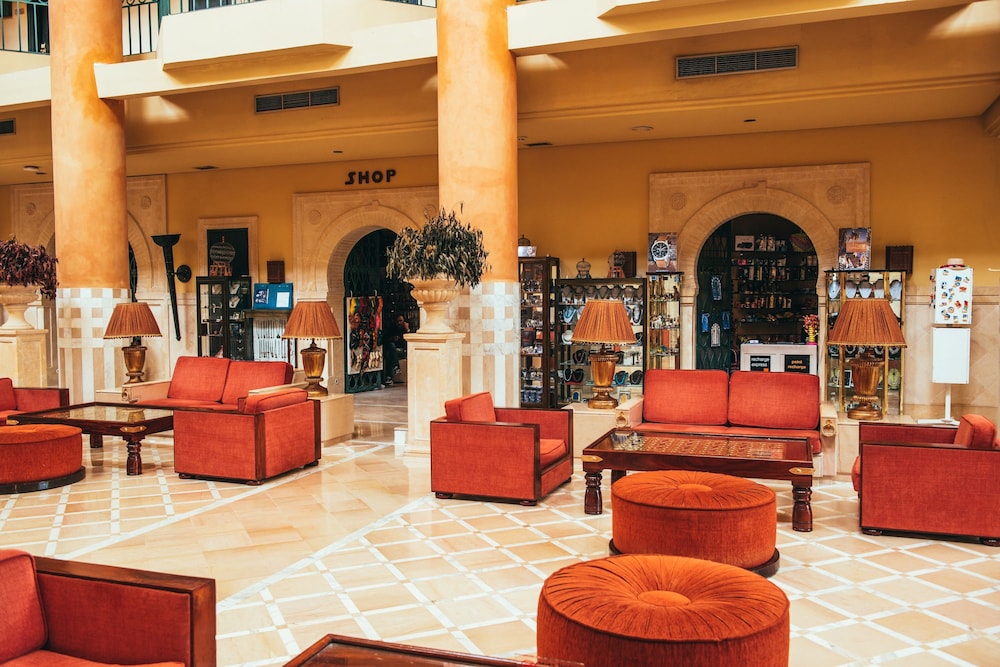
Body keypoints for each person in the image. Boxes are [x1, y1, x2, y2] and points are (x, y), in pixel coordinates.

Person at [382, 314, 410, 387]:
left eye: (401, 321)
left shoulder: (405, 329)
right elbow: (386, 339)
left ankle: (390, 376)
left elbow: (409, 342)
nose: (399, 323)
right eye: (397, 321)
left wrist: (407, 329)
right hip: (394, 351)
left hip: (402, 350)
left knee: (389, 353)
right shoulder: (393, 329)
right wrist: (393, 339)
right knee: (389, 353)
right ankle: (395, 368)